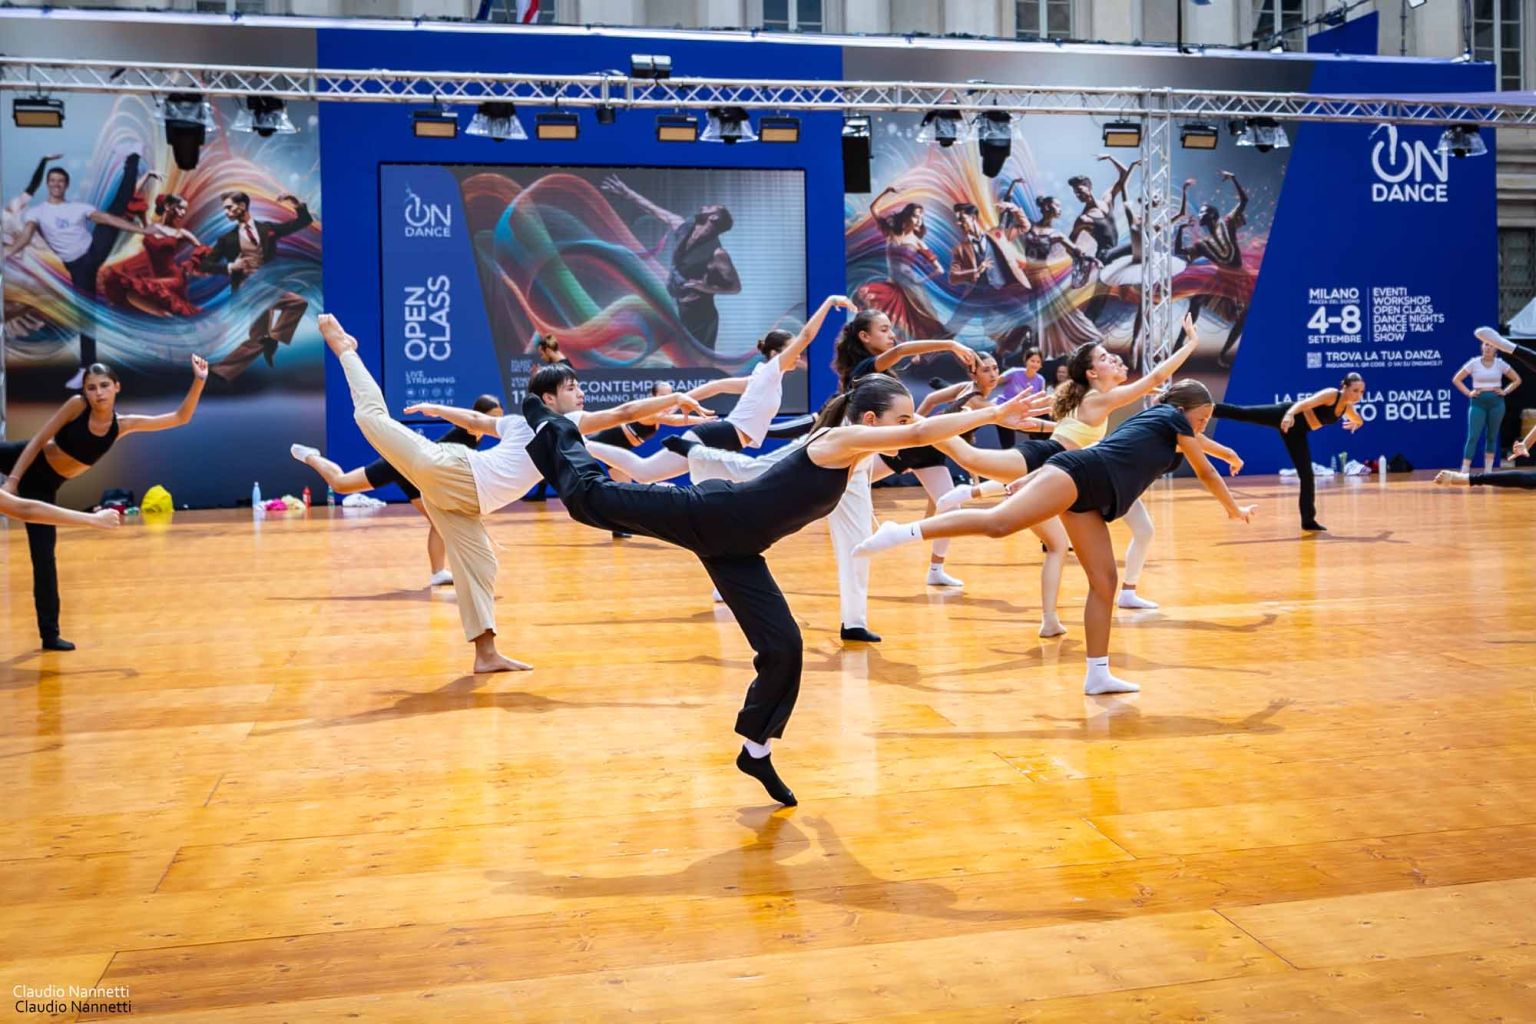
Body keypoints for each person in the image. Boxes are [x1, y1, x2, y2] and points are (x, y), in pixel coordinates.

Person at [522, 369, 1052, 804]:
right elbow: (918, 435)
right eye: (901, 418)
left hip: (738, 547)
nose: (909, 426)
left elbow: (927, 434)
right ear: (870, 421)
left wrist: (969, 421)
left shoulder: (855, 455)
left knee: (784, 648)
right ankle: (550, 427)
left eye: (910, 418)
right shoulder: (839, 440)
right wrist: (992, 414)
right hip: (711, 515)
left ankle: (755, 751)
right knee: (590, 499)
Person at [317, 313, 712, 674]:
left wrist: (440, 410)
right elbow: (624, 412)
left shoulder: (552, 426)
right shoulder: (552, 421)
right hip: (452, 471)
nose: (580, 394)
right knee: (372, 418)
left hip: (464, 502)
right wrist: (674, 398)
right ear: (549, 399)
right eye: (572, 388)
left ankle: (486, 654)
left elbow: (477, 420)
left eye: (578, 387)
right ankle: (346, 350)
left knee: (481, 565)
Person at [854, 380, 1256, 695]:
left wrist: (1228, 453)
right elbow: (1205, 471)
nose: (1203, 425)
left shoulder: (1169, 426)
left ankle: (1098, 674)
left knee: (1105, 581)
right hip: (1082, 474)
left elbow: (1201, 445)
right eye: (1201, 418)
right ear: (1182, 410)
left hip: (1094, 495)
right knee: (999, 523)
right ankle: (901, 532)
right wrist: (1233, 507)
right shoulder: (1169, 418)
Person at [1, 355, 208, 650]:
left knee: (44, 558)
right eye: (91, 387)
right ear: (85, 391)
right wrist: (12, 481)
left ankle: (50, 635)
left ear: (116, 387)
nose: (98, 393)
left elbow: (179, 418)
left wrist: (199, 380)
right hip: (21, 459)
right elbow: (38, 441)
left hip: (44, 486)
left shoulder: (122, 426)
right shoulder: (76, 406)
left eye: (104, 386)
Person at [585, 294, 857, 483]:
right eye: (792, 351)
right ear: (776, 354)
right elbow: (806, 335)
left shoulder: (761, 378)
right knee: (645, 472)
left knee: (650, 474)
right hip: (719, 436)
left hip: (725, 439)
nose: (798, 356)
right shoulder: (770, 370)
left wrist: (680, 401)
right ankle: (584, 443)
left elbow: (716, 386)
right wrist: (829, 302)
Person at [289, 394, 505, 586]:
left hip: (419, 476)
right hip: (402, 464)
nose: (496, 423)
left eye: (499, 417)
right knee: (340, 484)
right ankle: (311, 456)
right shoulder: (469, 428)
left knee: (438, 521)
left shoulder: (478, 434)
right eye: (493, 417)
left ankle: (438, 573)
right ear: (478, 415)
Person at [834, 309, 978, 587]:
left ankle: (935, 570)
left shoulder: (882, 372)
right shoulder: (863, 369)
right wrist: (950, 344)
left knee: (951, 506)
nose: (891, 335)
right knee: (839, 485)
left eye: (891, 328)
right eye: (884, 329)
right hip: (895, 447)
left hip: (915, 447)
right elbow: (900, 351)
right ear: (864, 336)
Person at [4, 155, 148, 388]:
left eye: (60, 181)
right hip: (78, 267)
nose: (56, 184)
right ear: (48, 184)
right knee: (85, 316)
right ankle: (87, 369)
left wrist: (143, 230)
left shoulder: (78, 208)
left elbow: (106, 218)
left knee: (116, 210)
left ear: (66, 185)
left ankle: (131, 162)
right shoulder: (37, 212)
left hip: (93, 250)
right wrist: (7, 252)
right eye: (53, 180)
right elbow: (26, 237)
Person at [599, 176, 740, 352]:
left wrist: (706, 288)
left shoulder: (718, 254)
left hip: (700, 318)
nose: (705, 206)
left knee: (695, 360)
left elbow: (735, 287)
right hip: (676, 308)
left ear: (714, 217)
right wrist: (627, 193)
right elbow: (653, 210)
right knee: (674, 355)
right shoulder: (683, 227)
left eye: (710, 207)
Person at [1211, 374, 1366, 532]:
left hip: (1297, 432)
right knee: (1245, 413)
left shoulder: (1347, 407)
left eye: (1361, 392)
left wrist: (1357, 423)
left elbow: (1358, 419)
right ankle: (1207, 408)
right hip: (1284, 415)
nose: (1358, 395)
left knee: (1307, 475)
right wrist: (1289, 414)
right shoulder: (1331, 394)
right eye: (1355, 390)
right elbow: (1304, 403)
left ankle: (1308, 521)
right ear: (1344, 387)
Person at [199, 190, 314, 381]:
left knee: (258, 338)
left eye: (229, 207)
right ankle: (273, 340)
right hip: (248, 287)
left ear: (242, 206)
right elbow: (204, 265)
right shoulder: (227, 239)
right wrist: (230, 267)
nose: (226, 212)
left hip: (266, 284)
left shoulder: (266, 229)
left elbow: (303, 221)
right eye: (224, 209)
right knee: (297, 303)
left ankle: (219, 373)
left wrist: (295, 203)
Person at [1176, 172, 1252, 368]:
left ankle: (1223, 354)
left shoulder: (1227, 223)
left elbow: (1244, 200)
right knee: (1195, 301)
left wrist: (1233, 178)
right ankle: (1177, 346)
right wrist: (1180, 230)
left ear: (1212, 214)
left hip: (1238, 277)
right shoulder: (1203, 244)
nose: (1200, 215)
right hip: (1220, 278)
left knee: (1244, 316)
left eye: (1203, 212)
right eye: (1200, 212)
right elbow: (1180, 252)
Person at [100, 193, 206, 317]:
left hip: (174, 279)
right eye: (180, 208)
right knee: (127, 292)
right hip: (157, 277)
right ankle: (165, 317)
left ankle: (166, 317)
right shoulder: (150, 226)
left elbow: (202, 249)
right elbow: (133, 201)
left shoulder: (180, 233)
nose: (182, 213)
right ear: (167, 206)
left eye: (185, 210)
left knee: (133, 293)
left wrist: (191, 264)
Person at [1452, 334, 1521, 475]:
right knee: (1473, 436)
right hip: (1478, 403)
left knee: (1492, 436)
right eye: (1486, 344)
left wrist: (1505, 391)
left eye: (1491, 345)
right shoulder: (1474, 363)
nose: (1488, 347)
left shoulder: (1500, 364)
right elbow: (1456, 379)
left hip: (1497, 403)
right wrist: (1469, 393)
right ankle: (1464, 470)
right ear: (1482, 347)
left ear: (1496, 349)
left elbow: (1517, 380)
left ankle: (1488, 471)